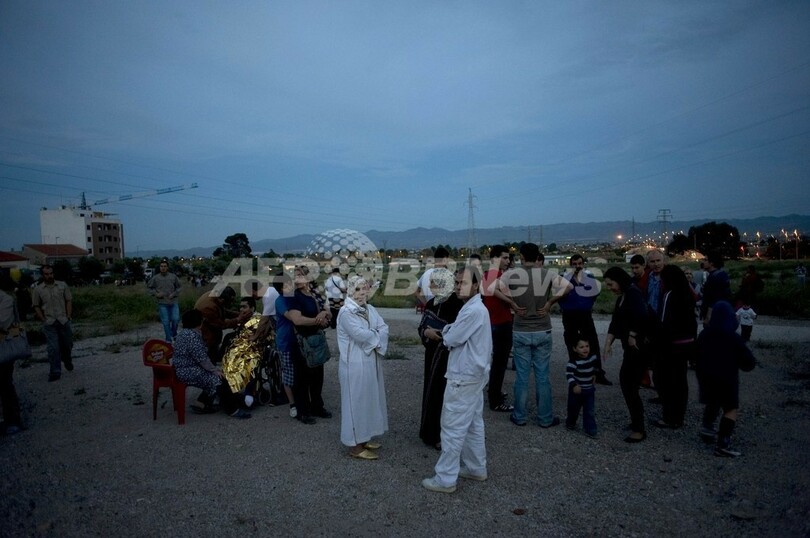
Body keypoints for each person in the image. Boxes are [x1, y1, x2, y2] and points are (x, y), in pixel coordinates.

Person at [422, 266, 492, 494]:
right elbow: (453, 331)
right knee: (473, 424)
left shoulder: (473, 311)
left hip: (464, 377)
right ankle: (476, 467)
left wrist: (442, 332)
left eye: (464, 282)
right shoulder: (472, 308)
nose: (458, 286)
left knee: (452, 427)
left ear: (476, 285)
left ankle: (445, 479)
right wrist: (449, 330)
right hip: (473, 375)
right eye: (457, 282)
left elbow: (451, 338)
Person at [503, 243, 570, 428]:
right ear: (537, 256)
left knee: (522, 377)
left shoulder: (512, 274)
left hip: (521, 329)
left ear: (522, 256)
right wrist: (550, 302)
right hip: (542, 328)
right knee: (542, 376)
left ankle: (519, 416)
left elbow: (493, 288)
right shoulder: (547, 274)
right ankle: (545, 418)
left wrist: (512, 303)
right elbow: (569, 287)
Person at [337, 276, 389, 460]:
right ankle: (355, 446)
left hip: (369, 361)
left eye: (365, 289)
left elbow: (383, 327)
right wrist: (376, 337)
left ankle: (364, 437)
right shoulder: (346, 312)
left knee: (368, 400)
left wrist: (374, 335)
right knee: (356, 402)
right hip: (354, 365)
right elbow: (359, 334)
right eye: (357, 289)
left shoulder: (369, 309)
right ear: (350, 291)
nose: (362, 293)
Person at [696, 301, 756, 457]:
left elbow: (694, 354)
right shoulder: (734, 338)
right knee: (730, 409)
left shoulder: (704, 334)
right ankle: (723, 443)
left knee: (713, 401)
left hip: (706, 378)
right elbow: (748, 363)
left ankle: (707, 427)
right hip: (727, 379)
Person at [172, 309, 250, 419]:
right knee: (219, 380)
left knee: (217, 376)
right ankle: (233, 409)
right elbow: (202, 359)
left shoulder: (183, 334)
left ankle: (202, 403)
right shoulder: (192, 337)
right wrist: (215, 370)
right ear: (199, 322)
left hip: (183, 369)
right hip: (188, 371)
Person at [417, 268, 462, 450]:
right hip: (432, 356)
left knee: (445, 395)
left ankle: (443, 435)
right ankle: (429, 433)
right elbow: (422, 326)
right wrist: (426, 332)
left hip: (449, 358)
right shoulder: (432, 303)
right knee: (431, 392)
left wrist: (439, 334)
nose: (429, 286)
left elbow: (458, 332)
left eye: (434, 283)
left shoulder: (456, 304)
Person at [603, 267, 648, 443]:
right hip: (630, 349)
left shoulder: (633, 293)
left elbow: (642, 315)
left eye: (610, 284)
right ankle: (636, 422)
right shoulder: (623, 296)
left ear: (619, 280)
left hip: (638, 348)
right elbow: (615, 322)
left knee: (629, 384)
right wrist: (608, 343)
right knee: (628, 385)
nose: (609, 288)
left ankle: (639, 429)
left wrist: (633, 334)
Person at [284, 265, 332, 424]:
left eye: (299, 275)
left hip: (316, 340)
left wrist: (324, 313)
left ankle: (317, 406)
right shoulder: (293, 296)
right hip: (302, 342)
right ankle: (303, 411)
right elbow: (297, 320)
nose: (296, 279)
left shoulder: (315, 294)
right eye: (294, 276)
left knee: (318, 375)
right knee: (303, 378)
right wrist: (318, 320)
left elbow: (328, 312)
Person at [652, 265, 697, 429]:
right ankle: (679, 417)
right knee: (680, 382)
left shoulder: (669, 294)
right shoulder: (687, 293)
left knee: (666, 381)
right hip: (686, 343)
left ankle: (669, 417)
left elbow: (663, 322)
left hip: (671, 346)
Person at [559, 254, 612, 386]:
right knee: (572, 343)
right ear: (571, 265)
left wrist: (586, 304)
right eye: (575, 264)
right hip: (569, 315)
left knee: (592, 342)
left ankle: (598, 373)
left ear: (583, 264)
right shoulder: (564, 279)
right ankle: (576, 371)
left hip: (585, 315)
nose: (577, 266)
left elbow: (595, 293)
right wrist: (567, 306)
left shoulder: (590, 279)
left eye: (580, 263)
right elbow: (558, 295)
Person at [481, 244, 515, 412]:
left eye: (508, 258)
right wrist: (512, 303)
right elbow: (507, 296)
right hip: (501, 323)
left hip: (494, 323)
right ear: (495, 258)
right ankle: (495, 400)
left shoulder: (488, 274)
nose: (508, 261)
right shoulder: (497, 276)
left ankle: (495, 392)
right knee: (500, 364)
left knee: (497, 363)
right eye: (505, 257)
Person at [220, 297, 264, 408]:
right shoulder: (243, 318)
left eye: (244, 307)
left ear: (252, 308)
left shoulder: (257, 319)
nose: (241, 309)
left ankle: (248, 393)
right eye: (240, 307)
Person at [31, 264, 73, 382]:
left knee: (68, 344)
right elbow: (36, 305)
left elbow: (68, 300)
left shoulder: (62, 285)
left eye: (51, 273)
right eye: (46, 274)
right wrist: (43, 319)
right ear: (42, 275)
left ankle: (67, 359)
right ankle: (55, 372)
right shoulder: (38, 289)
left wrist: (68, 316)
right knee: (53, 348)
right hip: (50, 322)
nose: (49, 276)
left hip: (63, 320)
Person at [194, 286, 249, 363]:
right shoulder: (208, 306)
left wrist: (238, 315)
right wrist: (237, 320)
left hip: (210, 330)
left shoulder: (215, 297)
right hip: (205, 334)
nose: (231, 304)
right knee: (209, 357)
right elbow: (220, 324)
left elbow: (223, 311)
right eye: (229, 302)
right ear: (222, 300)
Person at [0, 270, 24, 435]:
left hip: (3, 348)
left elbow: (3, 322)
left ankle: (13, 420)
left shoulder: (5, 299)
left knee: (5, 384)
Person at [274, 274, 299, 419]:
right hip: (285, 342)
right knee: (289, 374)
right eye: (288, 284)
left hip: (297, 341)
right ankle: (292, 404)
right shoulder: (280, 301)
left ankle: (301, 399)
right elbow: (292, 317)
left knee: (299, 371)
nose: (292, 286)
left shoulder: (294, 297)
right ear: (281, 288)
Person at [565, 338, 599, 438]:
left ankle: (590, 429)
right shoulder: (573, 362)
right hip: (576, 391)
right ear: (575, 349)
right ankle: (571, 423)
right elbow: (569, 374)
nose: (585, 349)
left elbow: (596, 366)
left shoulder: (593, 357)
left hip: (589, 390)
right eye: (581, 347)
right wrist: (574, 385)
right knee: (573, 409)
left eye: (587, 346)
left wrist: (595, 374)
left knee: (589, 411)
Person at [146, 259, 182, 343]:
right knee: (166, 322)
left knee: (175, 319)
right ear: (159, 267)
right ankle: (168, 340)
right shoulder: (155, 278)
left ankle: (174, 333)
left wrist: (174, 294)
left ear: (167, 267)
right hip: (162, 303)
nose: (163, 268)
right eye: (161, 266)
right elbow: (149, 288)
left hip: (173, 302)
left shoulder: (173, 277)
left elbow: (179, 287)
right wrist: (156, 294)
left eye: (165, 266)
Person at [700, 252, 732, 326]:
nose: (703, 262)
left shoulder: (715, 277)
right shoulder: (721, 274)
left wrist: (708, 316)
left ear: (711, 263)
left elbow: (714, 297)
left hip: (715, 314)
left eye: (705, 260)